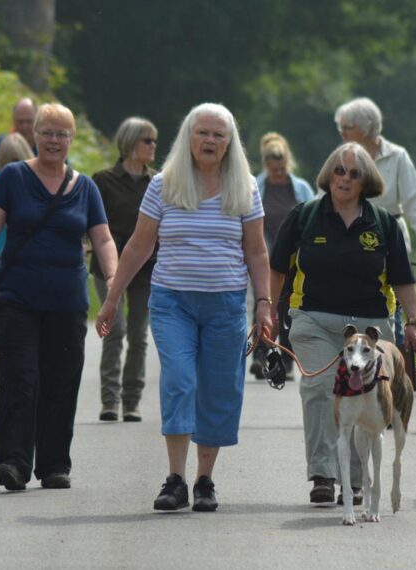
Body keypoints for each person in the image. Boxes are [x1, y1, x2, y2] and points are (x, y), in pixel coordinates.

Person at [95, 103, 271, 513]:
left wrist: (263, 304)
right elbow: (139, 245)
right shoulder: (165, 184)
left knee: (219, 388)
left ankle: (204, 480)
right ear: (188, 137)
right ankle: (175, 479)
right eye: (202, 133)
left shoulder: (244, 186)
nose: (210, 141)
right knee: (178, 379)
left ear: (230, 143)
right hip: (173, 301)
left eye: (219, 135)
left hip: (226, 305)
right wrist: (111, 298)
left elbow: (257, 251)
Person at [0, 103, 118, 492]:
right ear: (35, 136)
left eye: (62, 134)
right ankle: (13, 462)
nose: (54, 140)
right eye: (47, 132)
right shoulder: (12, 178)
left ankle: (54, 465)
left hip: (67, 301)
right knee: (20, 379)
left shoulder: (85, 188)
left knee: (61, 382)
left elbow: (103, 238)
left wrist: (113, 279)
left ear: (71, 140)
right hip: (18, 298)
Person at [268, 142, 416, 507]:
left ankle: (355, 481)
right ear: (328, 174)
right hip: (314, 320)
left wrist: (413, 324)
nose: (345, 179)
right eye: (339, 170)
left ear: (366, 180)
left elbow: (403, 279)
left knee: (363, 396)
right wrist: (269, 312)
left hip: (370, 328)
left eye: (354, 173)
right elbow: (277, 267)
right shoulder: (305, 216)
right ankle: (324, 473)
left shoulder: (384, 224)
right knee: (322, 386)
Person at [334, 97, 416, 346]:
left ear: (366, 127)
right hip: (349, 236)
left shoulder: (397, 156)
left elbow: (415, 202)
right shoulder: (342, 157)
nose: (341, 132)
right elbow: (325, 194)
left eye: (347, 127)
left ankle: (396, 354)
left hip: (390, 238)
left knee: (393, 303)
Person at [90, 117, 158, 422]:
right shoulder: (102, 180)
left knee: (138, 334)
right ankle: (109, 399)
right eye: (147, 141)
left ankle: (131, 400)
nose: (153, 146)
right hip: (109, 266)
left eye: (154, 141)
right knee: (114, 330)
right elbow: (90, 221)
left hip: (146, 268)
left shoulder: (157, 182)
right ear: (130, 143)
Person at [249, 132, 315, 381]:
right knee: (263, 303)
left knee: (288, 308)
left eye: (282, 168)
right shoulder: (255, 186)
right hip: (265, 257)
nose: (278, 173)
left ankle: (286, 360)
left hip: (294, 258)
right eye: (274, 169)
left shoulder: (301, 188)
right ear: (266, 165)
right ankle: (261, 356)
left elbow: (313, 218)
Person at [0, 133, 35, 276]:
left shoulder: (33, 182)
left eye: (16, 161)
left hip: (27, 252)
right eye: (7, 162)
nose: (11, 167)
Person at [0, 98, 38, 188]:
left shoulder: (46, 149)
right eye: (20, 121)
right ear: (13, 121)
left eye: (29, 121)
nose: (24, 126)